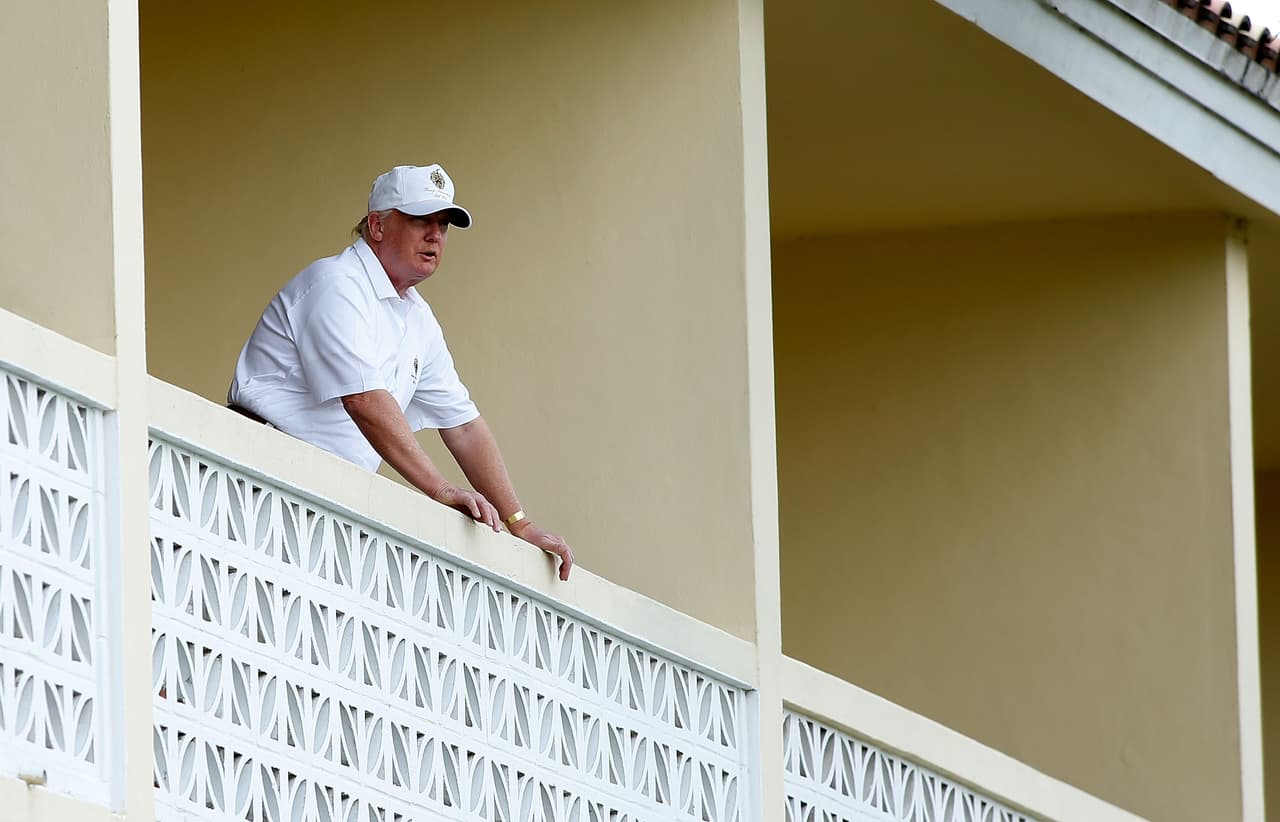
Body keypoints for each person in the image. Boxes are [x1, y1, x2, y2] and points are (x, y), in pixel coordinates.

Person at [228, 164, 573, 580]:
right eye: (420, 221)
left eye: (444, 225)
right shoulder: (336, 283)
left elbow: (463, 426)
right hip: (251, 480)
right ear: (376, 225)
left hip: (319, 500)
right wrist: (439, 489)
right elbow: (364, 401)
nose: (435, 235)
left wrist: (519, 522)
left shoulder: (418, 317)